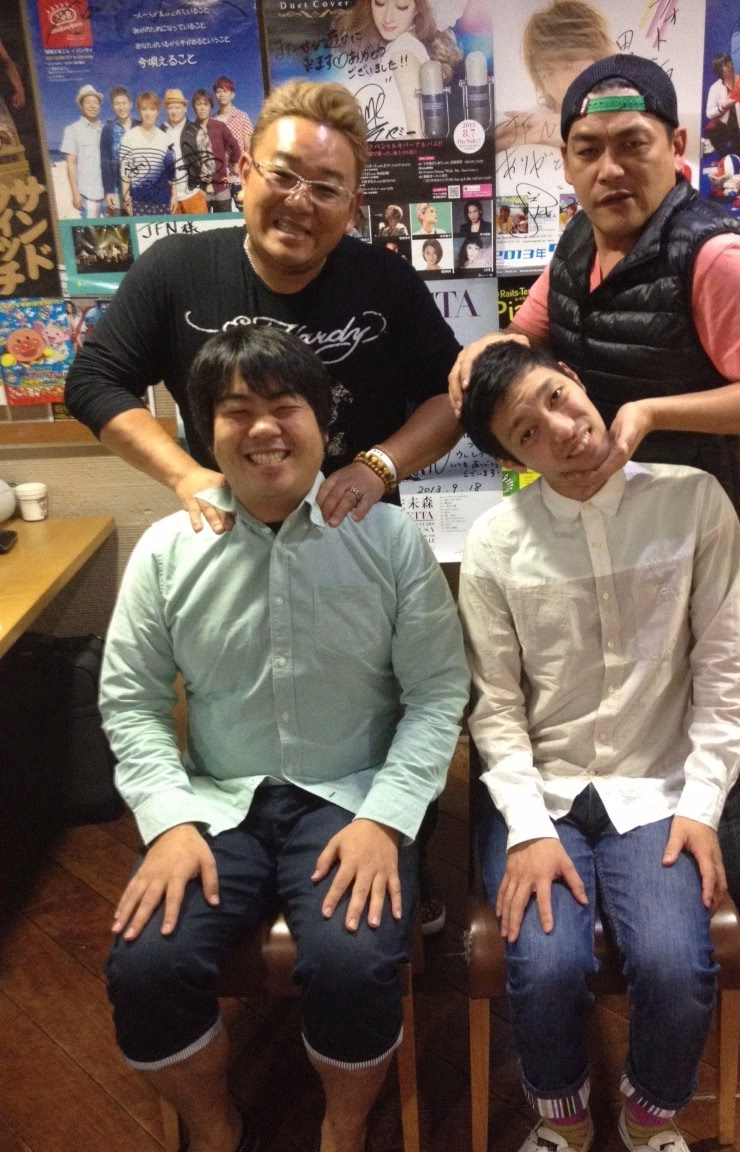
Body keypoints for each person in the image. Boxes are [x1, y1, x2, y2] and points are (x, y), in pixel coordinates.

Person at [64, 80, 463, 930]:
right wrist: (185, 475)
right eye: (283, 175)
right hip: (229, 536)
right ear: (244, 171)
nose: (300, 202)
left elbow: (450, 395)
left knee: (384, 698)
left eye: (327, 187)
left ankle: (395, 842)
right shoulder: (178, 269)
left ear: (352, 203)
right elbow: (93, 380)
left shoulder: (384, 280)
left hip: (354, 534)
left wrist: (381, 464)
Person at [448, 54, 740, 903]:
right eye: (588, 149)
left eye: (633, 143)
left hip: (704, 545)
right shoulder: (581, 240)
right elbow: (533, 332)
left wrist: (653, 412)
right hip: (616, 535)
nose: (609, 168)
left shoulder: (717, 257)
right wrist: (484, 352)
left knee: (705, 778)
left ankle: (694, 945)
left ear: (677, 145)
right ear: (566, 159)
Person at [102, 325, 469, 1152]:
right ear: (205, 432)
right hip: (215, 802)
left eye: (285, 406)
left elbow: (438, 694)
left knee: (354, 961)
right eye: (237, 411)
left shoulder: (388, 538)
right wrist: (167, 820)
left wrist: (387, 821)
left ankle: (343, 1126)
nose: (264, 428)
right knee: (145, 965)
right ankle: (215, 1128)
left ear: (323, 422)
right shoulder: (166, 552)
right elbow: (131, 702)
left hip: (352, 795)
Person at [457, 341, 740, 1152]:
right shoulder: (496, 542)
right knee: (546, 963)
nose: (560, 429)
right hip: (541, 791)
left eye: (556, 398)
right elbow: (495, 708)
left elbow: (727, 673)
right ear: (511, 460)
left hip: (656, 785)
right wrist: (525, 828)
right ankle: (562, 1116)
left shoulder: (693, 501)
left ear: (576, 381)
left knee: (674, 962)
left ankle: (650, 1114)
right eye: (527, 432)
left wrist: (702, 807)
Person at [496, 0, 613, 153]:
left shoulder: (633, 102)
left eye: (568, 66)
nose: (561, 85)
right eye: (548, 74)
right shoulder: (538, 120)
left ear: (598, 59)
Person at [334, 0, 462, 139]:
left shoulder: (403, 49)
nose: (388, 18)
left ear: (418, 9)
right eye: (380, 3)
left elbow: (417, 138)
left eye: (402, 7)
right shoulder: (403, 45)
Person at [184, 88, 242, 213]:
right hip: (199, 190)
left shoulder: (219, 127)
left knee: (225, 223)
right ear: (193, 107)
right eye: (198, 104)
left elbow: (235, 147)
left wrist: (235, 174)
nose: (202, 108)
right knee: (201, 224)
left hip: (221, 188)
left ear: (210, 106)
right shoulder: (189, 130)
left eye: (206, 104)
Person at [119, 92, 175, 215]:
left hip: (162, 200)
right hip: (138, 200)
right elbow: (125, 171)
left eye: (152, 109)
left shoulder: (165, 138)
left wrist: (174, 196)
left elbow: (171, 172)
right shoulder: (129, 137)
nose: (148, 113)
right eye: (144, 109)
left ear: (158, 112)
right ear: (139, 112)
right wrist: (126, 197)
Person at [61, 83, 105, 218]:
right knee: (91, 229)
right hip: (88, 193)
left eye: (96, 102)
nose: (92, 106)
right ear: (81, 105)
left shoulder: (105, 130)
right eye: (88, 102)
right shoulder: (72, 130)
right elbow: (71, 164)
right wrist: (75, 193)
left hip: (109, 192)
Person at [162, 88, 208, 215]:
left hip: (193, 194)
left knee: (200, 228)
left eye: (178, 107)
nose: (174, 111)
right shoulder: (160, 131)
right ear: (166, 110)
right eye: (170, 107)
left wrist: (202, 188)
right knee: (174, 229)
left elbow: (208, 162)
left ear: (185, 108)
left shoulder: (196, 130)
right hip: (169, 198)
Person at [99, 86, 138, 215]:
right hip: (117, 189)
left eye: (124, 103)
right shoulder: (108, 130)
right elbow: (105, 162)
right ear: (112, 106)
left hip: (140, 189)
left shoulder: (140, 126)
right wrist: (108, 191)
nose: (121, 107)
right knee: (121, 223)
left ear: (130, 104)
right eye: (117, 104)